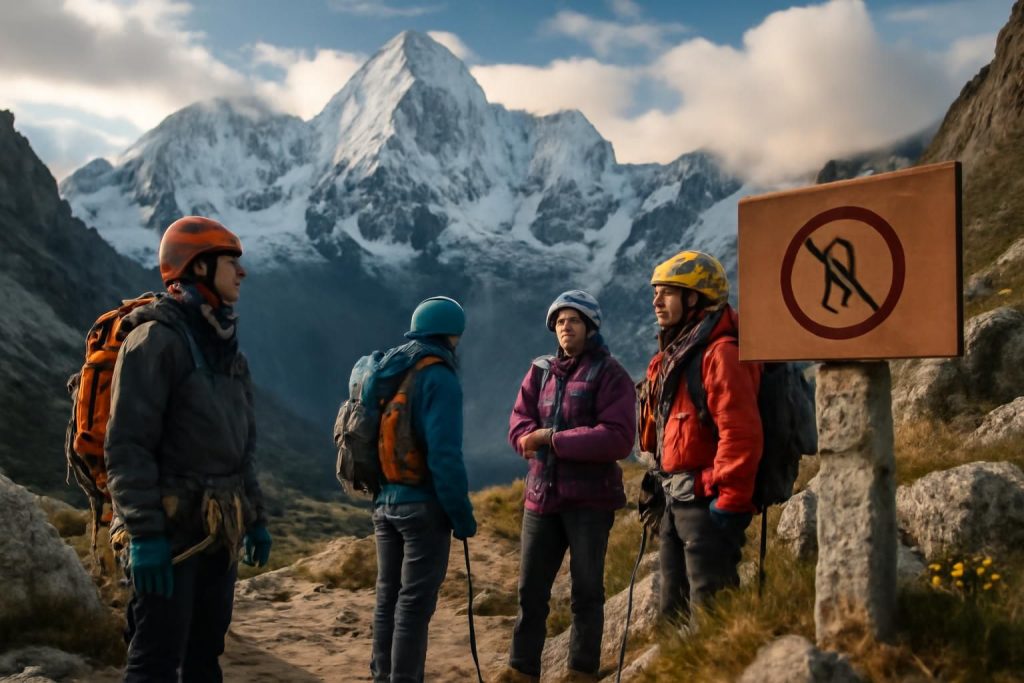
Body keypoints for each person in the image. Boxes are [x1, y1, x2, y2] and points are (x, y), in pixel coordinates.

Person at [105, 215, 271, 682]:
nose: (242, 272)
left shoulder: (227, 350)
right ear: (198, 268)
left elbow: (243, 449)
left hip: (219, 532)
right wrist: (145, 535)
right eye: (230, 262)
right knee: (154, 660)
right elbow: (128, 447)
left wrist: (255, 518)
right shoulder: (154, 340)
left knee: (204, 655)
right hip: (171, 536)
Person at [501, 290, 637, 683]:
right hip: (541, 499)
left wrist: (553, 440)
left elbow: (617, 437)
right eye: (560, 321)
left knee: (587, 593)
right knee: (530, 592)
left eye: (574, 320)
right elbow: (519, 423)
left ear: (590, 327)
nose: (565, 327)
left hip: (590, 504)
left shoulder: (611, 374)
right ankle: (521, 671)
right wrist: (532, 436)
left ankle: (581, 671)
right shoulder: (540, 371)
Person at [636, 250, 762, 625]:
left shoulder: (721, 354)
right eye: (655, 292)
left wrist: (732, 501)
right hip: (676, 498)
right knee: (672, 611)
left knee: (712, 611)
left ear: (695, 299)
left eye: (668, 293)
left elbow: (740, 432)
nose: (656, 301)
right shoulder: (675, 354)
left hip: (708, 502)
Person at [369, 296, 478, 683]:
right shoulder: (439, 377)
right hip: (422, 509)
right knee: (413, 606)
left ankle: (383, 676)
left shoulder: (391, 370)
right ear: (453, 335)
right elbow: (444, 456)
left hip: (385, 504)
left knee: (387, 599)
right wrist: (462, 517)